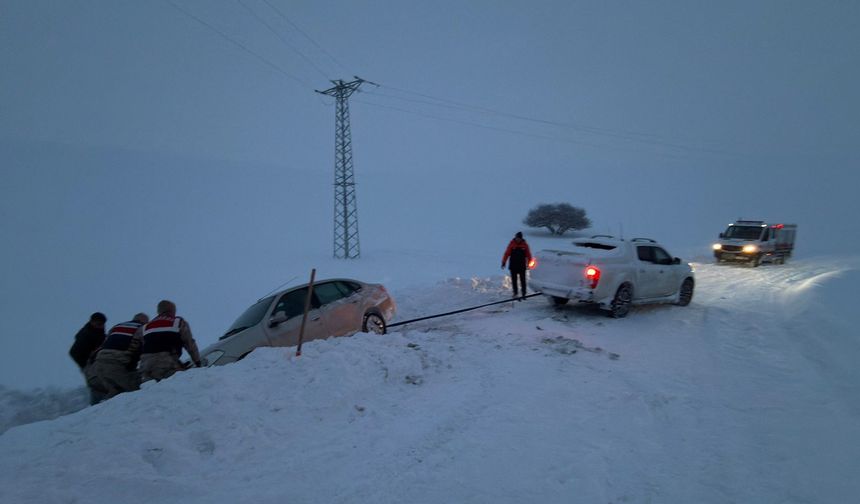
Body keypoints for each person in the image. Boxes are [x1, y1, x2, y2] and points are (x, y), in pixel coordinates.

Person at [90, 312, 149, 400]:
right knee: (138, 389)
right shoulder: (141, 328)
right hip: (115, 364)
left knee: (114, 393)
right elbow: (143, 349)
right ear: (143, 321)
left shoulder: (117, 326)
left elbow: (103, 344)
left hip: (97, 365)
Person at [139, 300, 202, 382]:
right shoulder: (178, 322)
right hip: (166, 365)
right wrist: (197, 362)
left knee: (153, 391)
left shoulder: (145, 327)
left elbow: (143, 346)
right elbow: (189, 344)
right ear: (172, 310)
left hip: (146, 367)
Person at [68, 312, 108, 405]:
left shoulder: (96, 332)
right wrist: (86, 363)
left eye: (103, 324)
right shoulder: (86, 335)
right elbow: (73, 352)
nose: (101, 326)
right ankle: (97, 407)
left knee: (100, 384)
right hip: (89, 365)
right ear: (92, 322)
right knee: (96, 385)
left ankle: (99, 406)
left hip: (94, 364)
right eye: (99, 324)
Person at [501, 231, 533, 300]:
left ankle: (524, 294)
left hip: (522, 266)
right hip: (513, 266)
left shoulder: (525, 245)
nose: (517, 239)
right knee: (514, 280)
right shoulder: (511, 244)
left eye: (519, 238)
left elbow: (529, 255)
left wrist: (530, 263)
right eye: (516, 238)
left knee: (523, 280)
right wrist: (504, 262)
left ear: (521, 238)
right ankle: (515, 293)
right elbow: (506, 254)